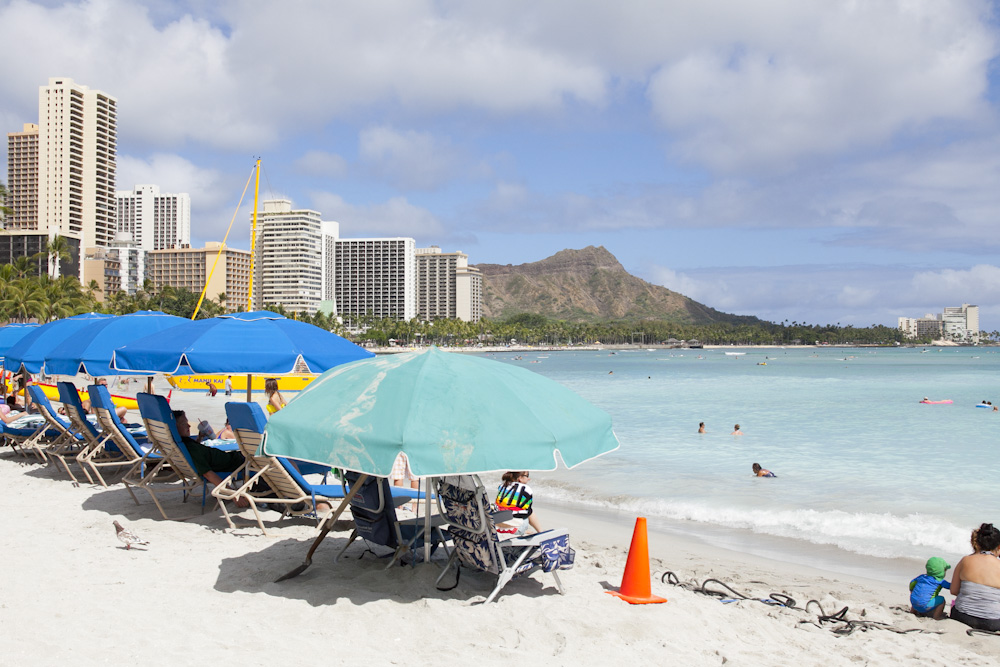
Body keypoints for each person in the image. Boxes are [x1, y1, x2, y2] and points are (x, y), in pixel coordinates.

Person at [172, 409, 248, 507]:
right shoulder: (191, 449)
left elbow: (197, 455)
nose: (189, 425)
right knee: (261, 461)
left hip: (231, 458)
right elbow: (208, 474)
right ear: (174, 428)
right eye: (184, 424)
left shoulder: (184, 444)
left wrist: (199, 439)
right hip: (235, 463)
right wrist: (234, 495)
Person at [950, 523, 1000, 631]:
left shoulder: (965, 560)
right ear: (999, 546)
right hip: (993, 623)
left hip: (962, 617)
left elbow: (953, 590)